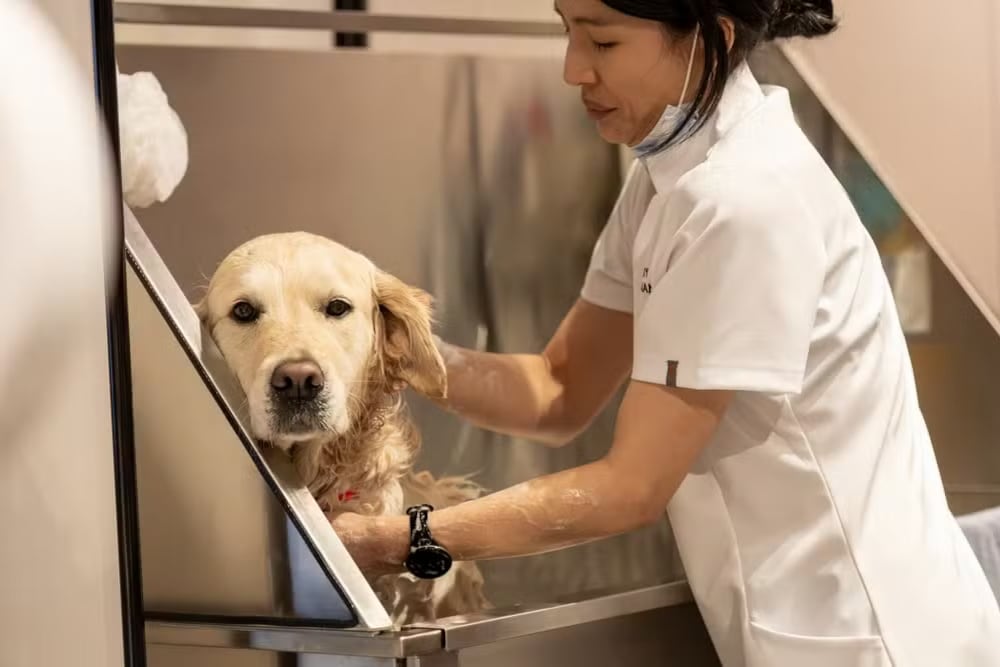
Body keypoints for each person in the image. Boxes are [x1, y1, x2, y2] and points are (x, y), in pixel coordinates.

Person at [331, 0, 1000, 664]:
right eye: (568, 33)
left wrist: (394, 539)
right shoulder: (665, 179)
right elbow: (559, 387)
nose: (573, 69)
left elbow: (631, 487)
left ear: (713, 38)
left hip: (873, 639)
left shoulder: (743, 200)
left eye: (603, 43)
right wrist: (401, 352)